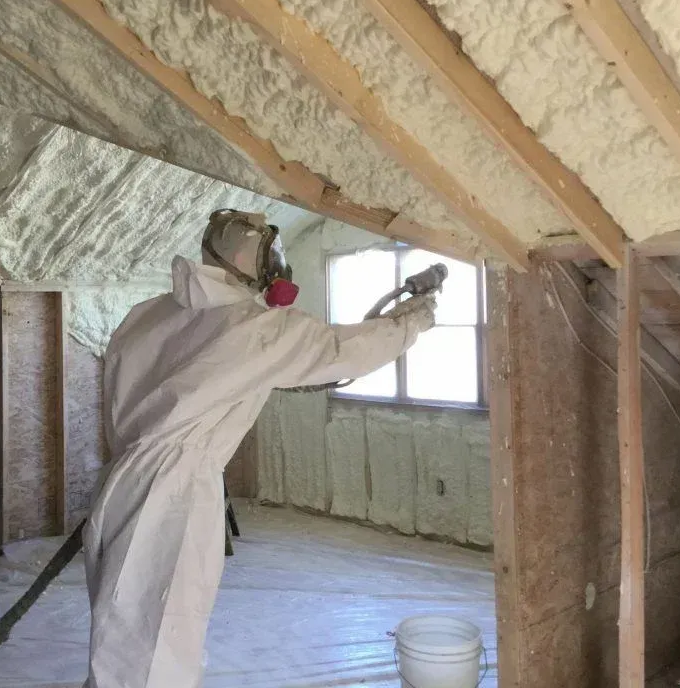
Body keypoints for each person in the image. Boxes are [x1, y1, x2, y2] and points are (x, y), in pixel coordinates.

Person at [82, 209, 439, 688]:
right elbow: (339, 350)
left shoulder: (148, 314)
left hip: (120, 481)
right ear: (262, 260)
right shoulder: (253, 326)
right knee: (162, 632)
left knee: (120, 619)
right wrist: (410, 322)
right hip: (177, 491)